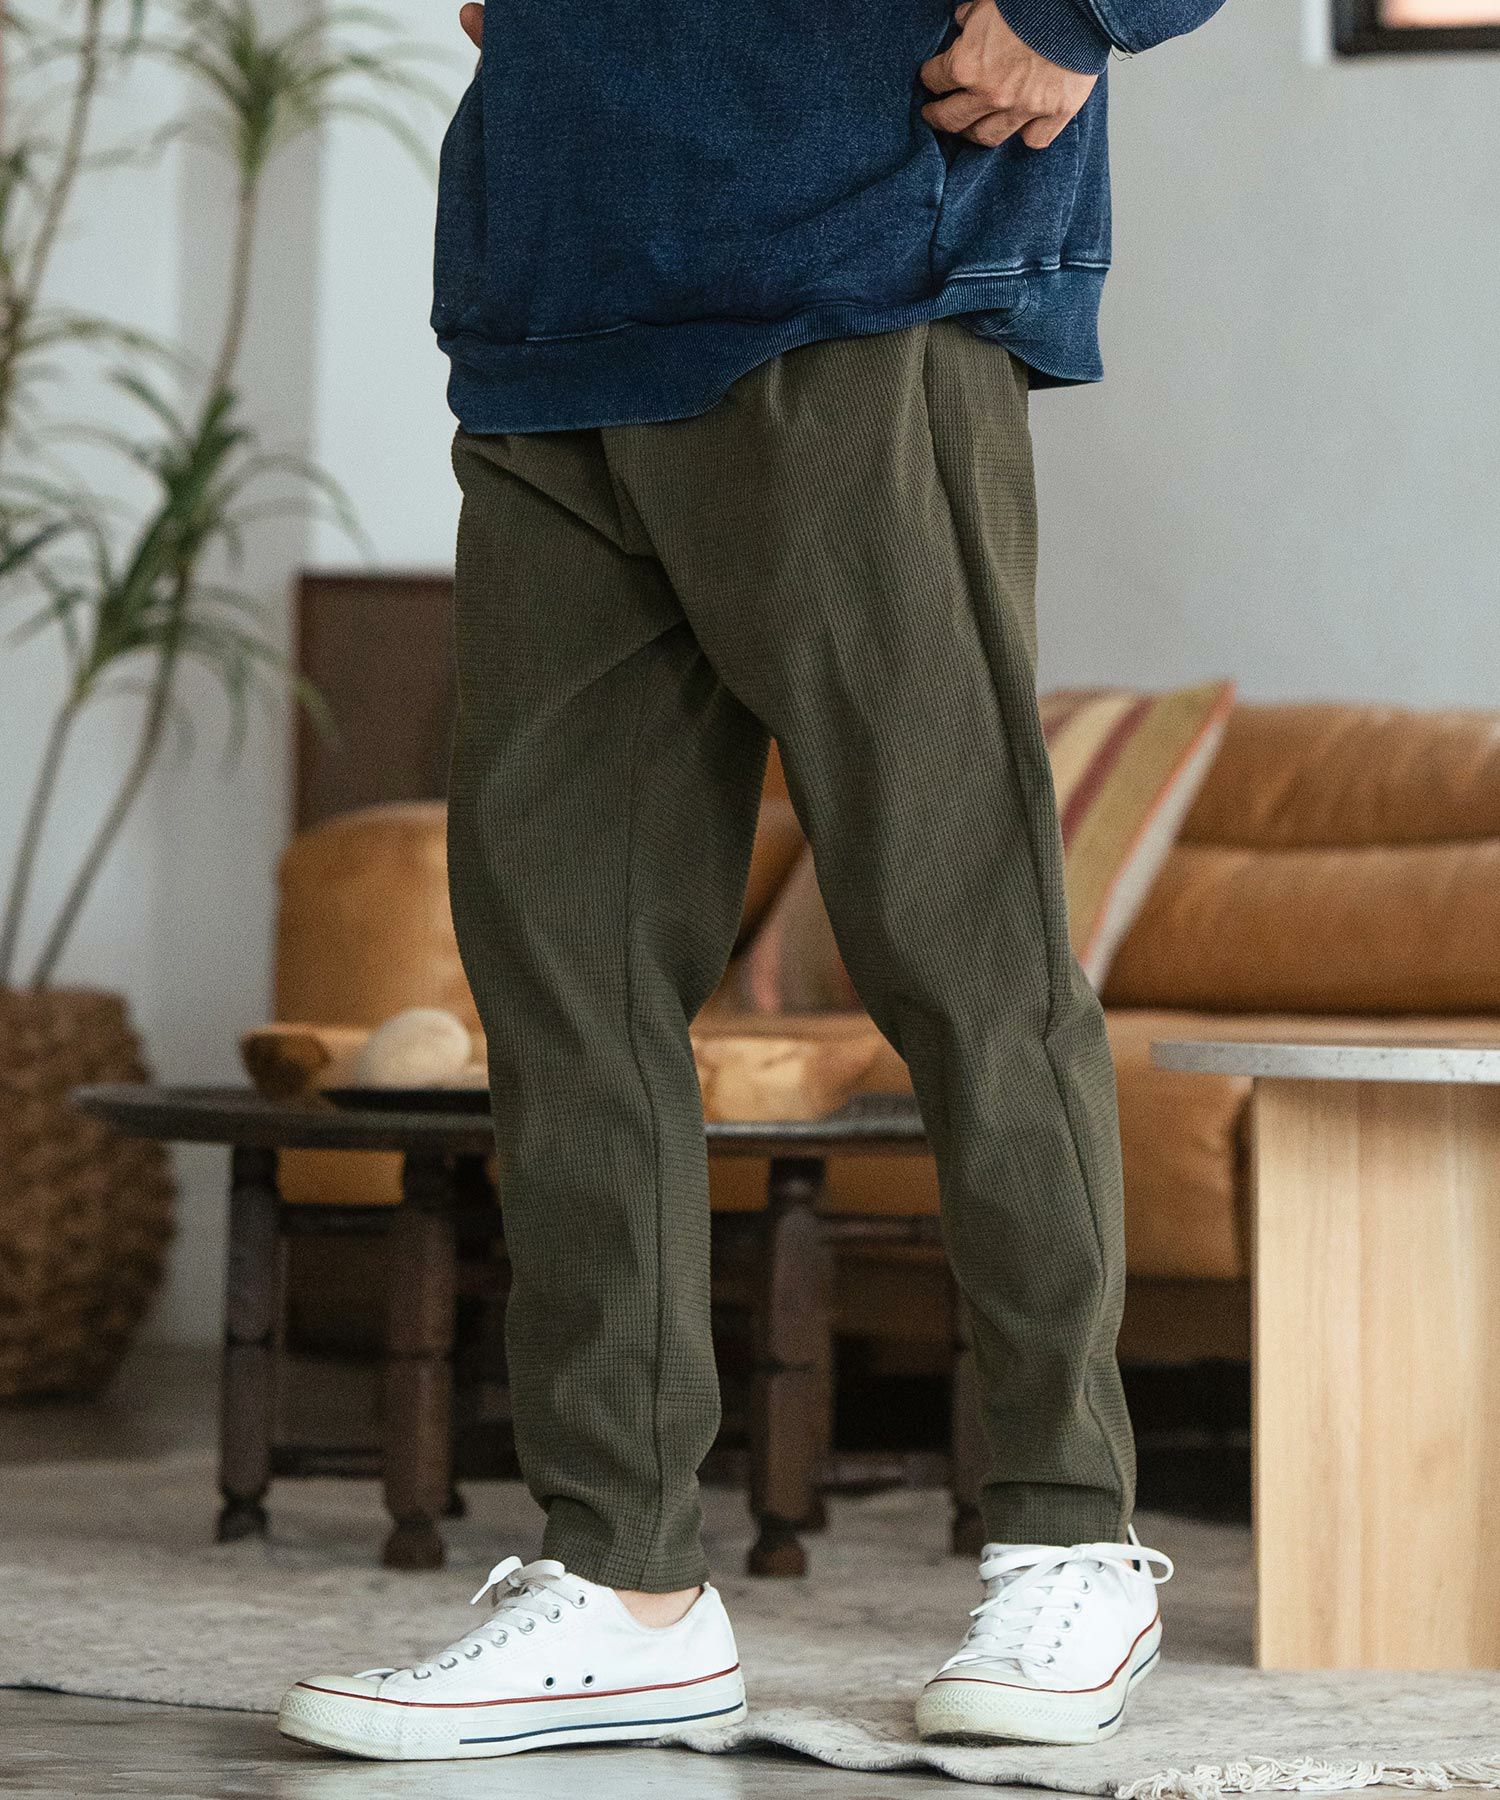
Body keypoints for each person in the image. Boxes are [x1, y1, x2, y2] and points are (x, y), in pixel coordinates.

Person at [278, 0, 1221, 1763]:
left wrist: (1083, 9)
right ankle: (623, 1581)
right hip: (553, 297)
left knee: (958, 947)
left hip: (856, 259)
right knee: (563, 977)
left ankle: (1071, 1532)